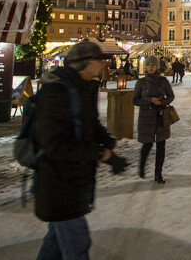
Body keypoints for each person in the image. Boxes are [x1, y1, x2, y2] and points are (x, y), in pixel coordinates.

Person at [34, 41, 128, 259]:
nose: (104, 65)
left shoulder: (83, 87)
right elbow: (56, 144)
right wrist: (100, 153)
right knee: (77, 246)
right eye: (99, 61)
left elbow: (88, 123)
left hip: (73, 181)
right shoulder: (58, 92)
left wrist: (106, 140)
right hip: (58, 183)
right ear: (87, 64)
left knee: (55, 245)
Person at [133, 55, 175, 184]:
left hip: (160, 116)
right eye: (148, 65)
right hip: (146, 117)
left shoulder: (163, 81)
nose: (150, 67)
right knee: (147, 144)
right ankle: (142, 166)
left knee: (161, 146)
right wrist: (149, 100)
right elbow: (135, 100)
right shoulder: (141, 82)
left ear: (157, 66)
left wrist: (163, 102)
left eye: (152, 65)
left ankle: (158, 174)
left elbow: (171, 96)